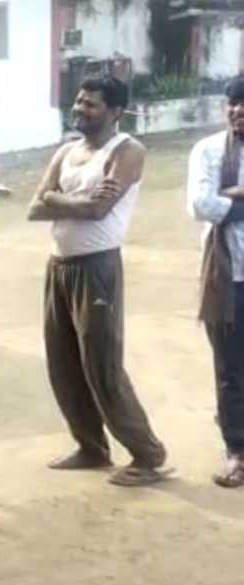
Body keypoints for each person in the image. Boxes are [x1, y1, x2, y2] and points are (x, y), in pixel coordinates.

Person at [27, 76, 172, 487]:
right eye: (78, 101)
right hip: (59, 267)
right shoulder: (67, 151)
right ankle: (91, 447)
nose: (80, 109)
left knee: (102, 366)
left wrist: (58, 200)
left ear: (115, 112)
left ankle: (149, 454)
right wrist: (67, 200)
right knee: (64, 365)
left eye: (90, 104)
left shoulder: (127, 151)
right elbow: (35, 206)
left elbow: (100, 211)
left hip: (97, 269)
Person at [186, 74, 244, 489]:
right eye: (233, 104)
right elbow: (201, 204)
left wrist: (235, 197)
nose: (238, 111)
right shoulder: (207, 150)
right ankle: (237, 451)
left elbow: (217, 203)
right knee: (230, 369)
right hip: (228, 279)